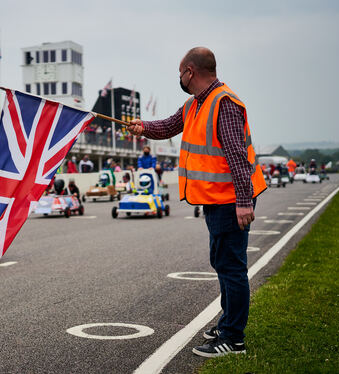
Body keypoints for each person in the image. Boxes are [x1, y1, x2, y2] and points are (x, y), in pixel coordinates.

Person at [127, 47, 266, 357]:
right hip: (215, 200)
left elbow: (237, 157)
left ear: (190, 71)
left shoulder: (224, 103)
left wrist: (244, 201)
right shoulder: (194, 104)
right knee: (222, 263)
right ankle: (228, 323)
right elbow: (167, 126)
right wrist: (143, 127)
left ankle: (233, 338)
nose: (179, 78)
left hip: (232, 201)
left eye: (180, 72)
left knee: (231, 267)